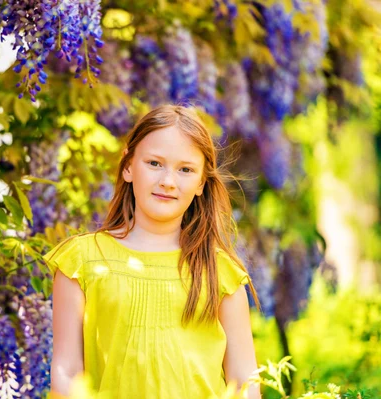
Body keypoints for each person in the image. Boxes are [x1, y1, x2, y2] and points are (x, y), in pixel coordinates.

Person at [43, 104, 262, 399]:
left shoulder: (220, 271)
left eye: (185, 169)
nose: (168, 182)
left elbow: (244, 382)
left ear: (201, 183)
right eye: (154, 163)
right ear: (129, 166)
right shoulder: (81, 261)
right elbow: (66, 373)